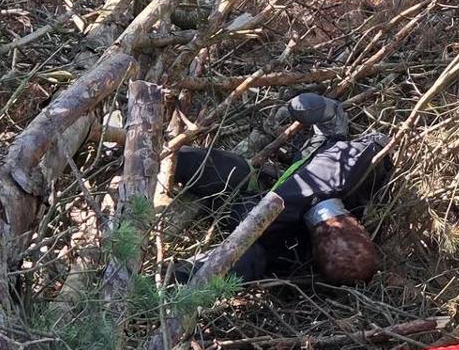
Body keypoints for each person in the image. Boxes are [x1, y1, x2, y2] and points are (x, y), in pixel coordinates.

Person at [166, 95, 395, 285]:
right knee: (227, 170)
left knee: (247, 258)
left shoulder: (295, 252)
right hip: (255, 195)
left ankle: (165, 286)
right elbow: (378, 147)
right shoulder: (348, 172)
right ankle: (153, 161)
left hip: (249, 218)